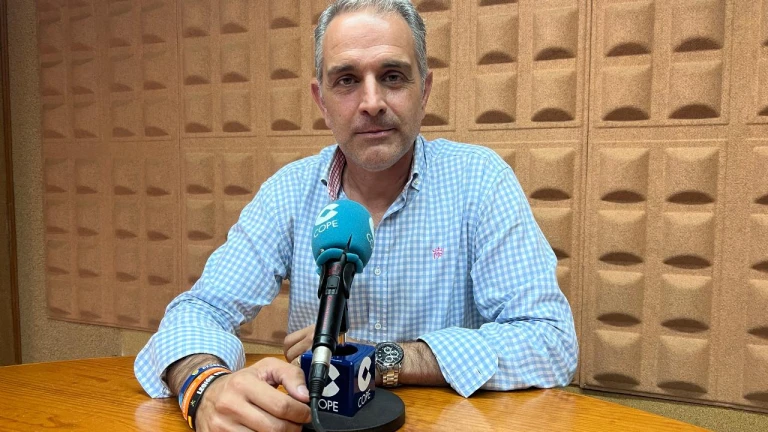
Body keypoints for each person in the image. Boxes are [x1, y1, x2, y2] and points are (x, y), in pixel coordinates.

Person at [134, 0, 578, 430]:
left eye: (392, 76)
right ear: (321, 100)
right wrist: (204, 387)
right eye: (346, 80)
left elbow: (550, 341)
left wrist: (382, 358)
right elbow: (200, 310)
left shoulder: (480, 181)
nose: (371, 102)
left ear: (424, 90)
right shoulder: (288, 193)